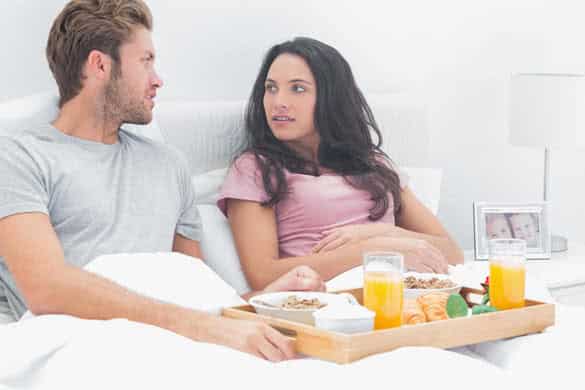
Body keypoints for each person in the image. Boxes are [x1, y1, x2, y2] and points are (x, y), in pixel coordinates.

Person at [0, 0, 325, 362]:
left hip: (169, 344)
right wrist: (204, 328)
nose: (158, 79)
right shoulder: (19, 158)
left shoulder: (168, 164)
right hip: (79, 349)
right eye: (146, 61)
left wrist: (268, 300)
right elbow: (46, 289)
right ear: (100, 65)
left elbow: (196, 300)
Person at [218, 37, 464, 291]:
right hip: (328, 306)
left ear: (331, 97)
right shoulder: (256, 168)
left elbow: (452, 252)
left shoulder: (373, 164)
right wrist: (373, 251)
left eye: (297, 88)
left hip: (409, 298)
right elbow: (263, 276)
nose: (278, 101)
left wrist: (379, 236)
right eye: (271, 88)